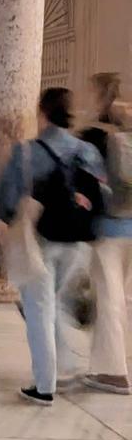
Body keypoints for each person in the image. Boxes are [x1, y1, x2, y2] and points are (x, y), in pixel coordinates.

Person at [0, 87, 105, 406]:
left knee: (39, 310)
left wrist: (7, 219)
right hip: (76, 243)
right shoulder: (87, 151)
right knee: (54, 303)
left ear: (41, 112)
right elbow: (101, 194)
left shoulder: (27, 152)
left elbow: (6, 196)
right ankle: (65, 364)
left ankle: (45, 385)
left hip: (40, 241)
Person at [78, 72, 131, 395]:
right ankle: (112, 365)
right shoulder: (124, 133)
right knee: (122, 298)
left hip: (109, 227)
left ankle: (112, 372)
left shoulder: (102, 137)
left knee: (108, 299)